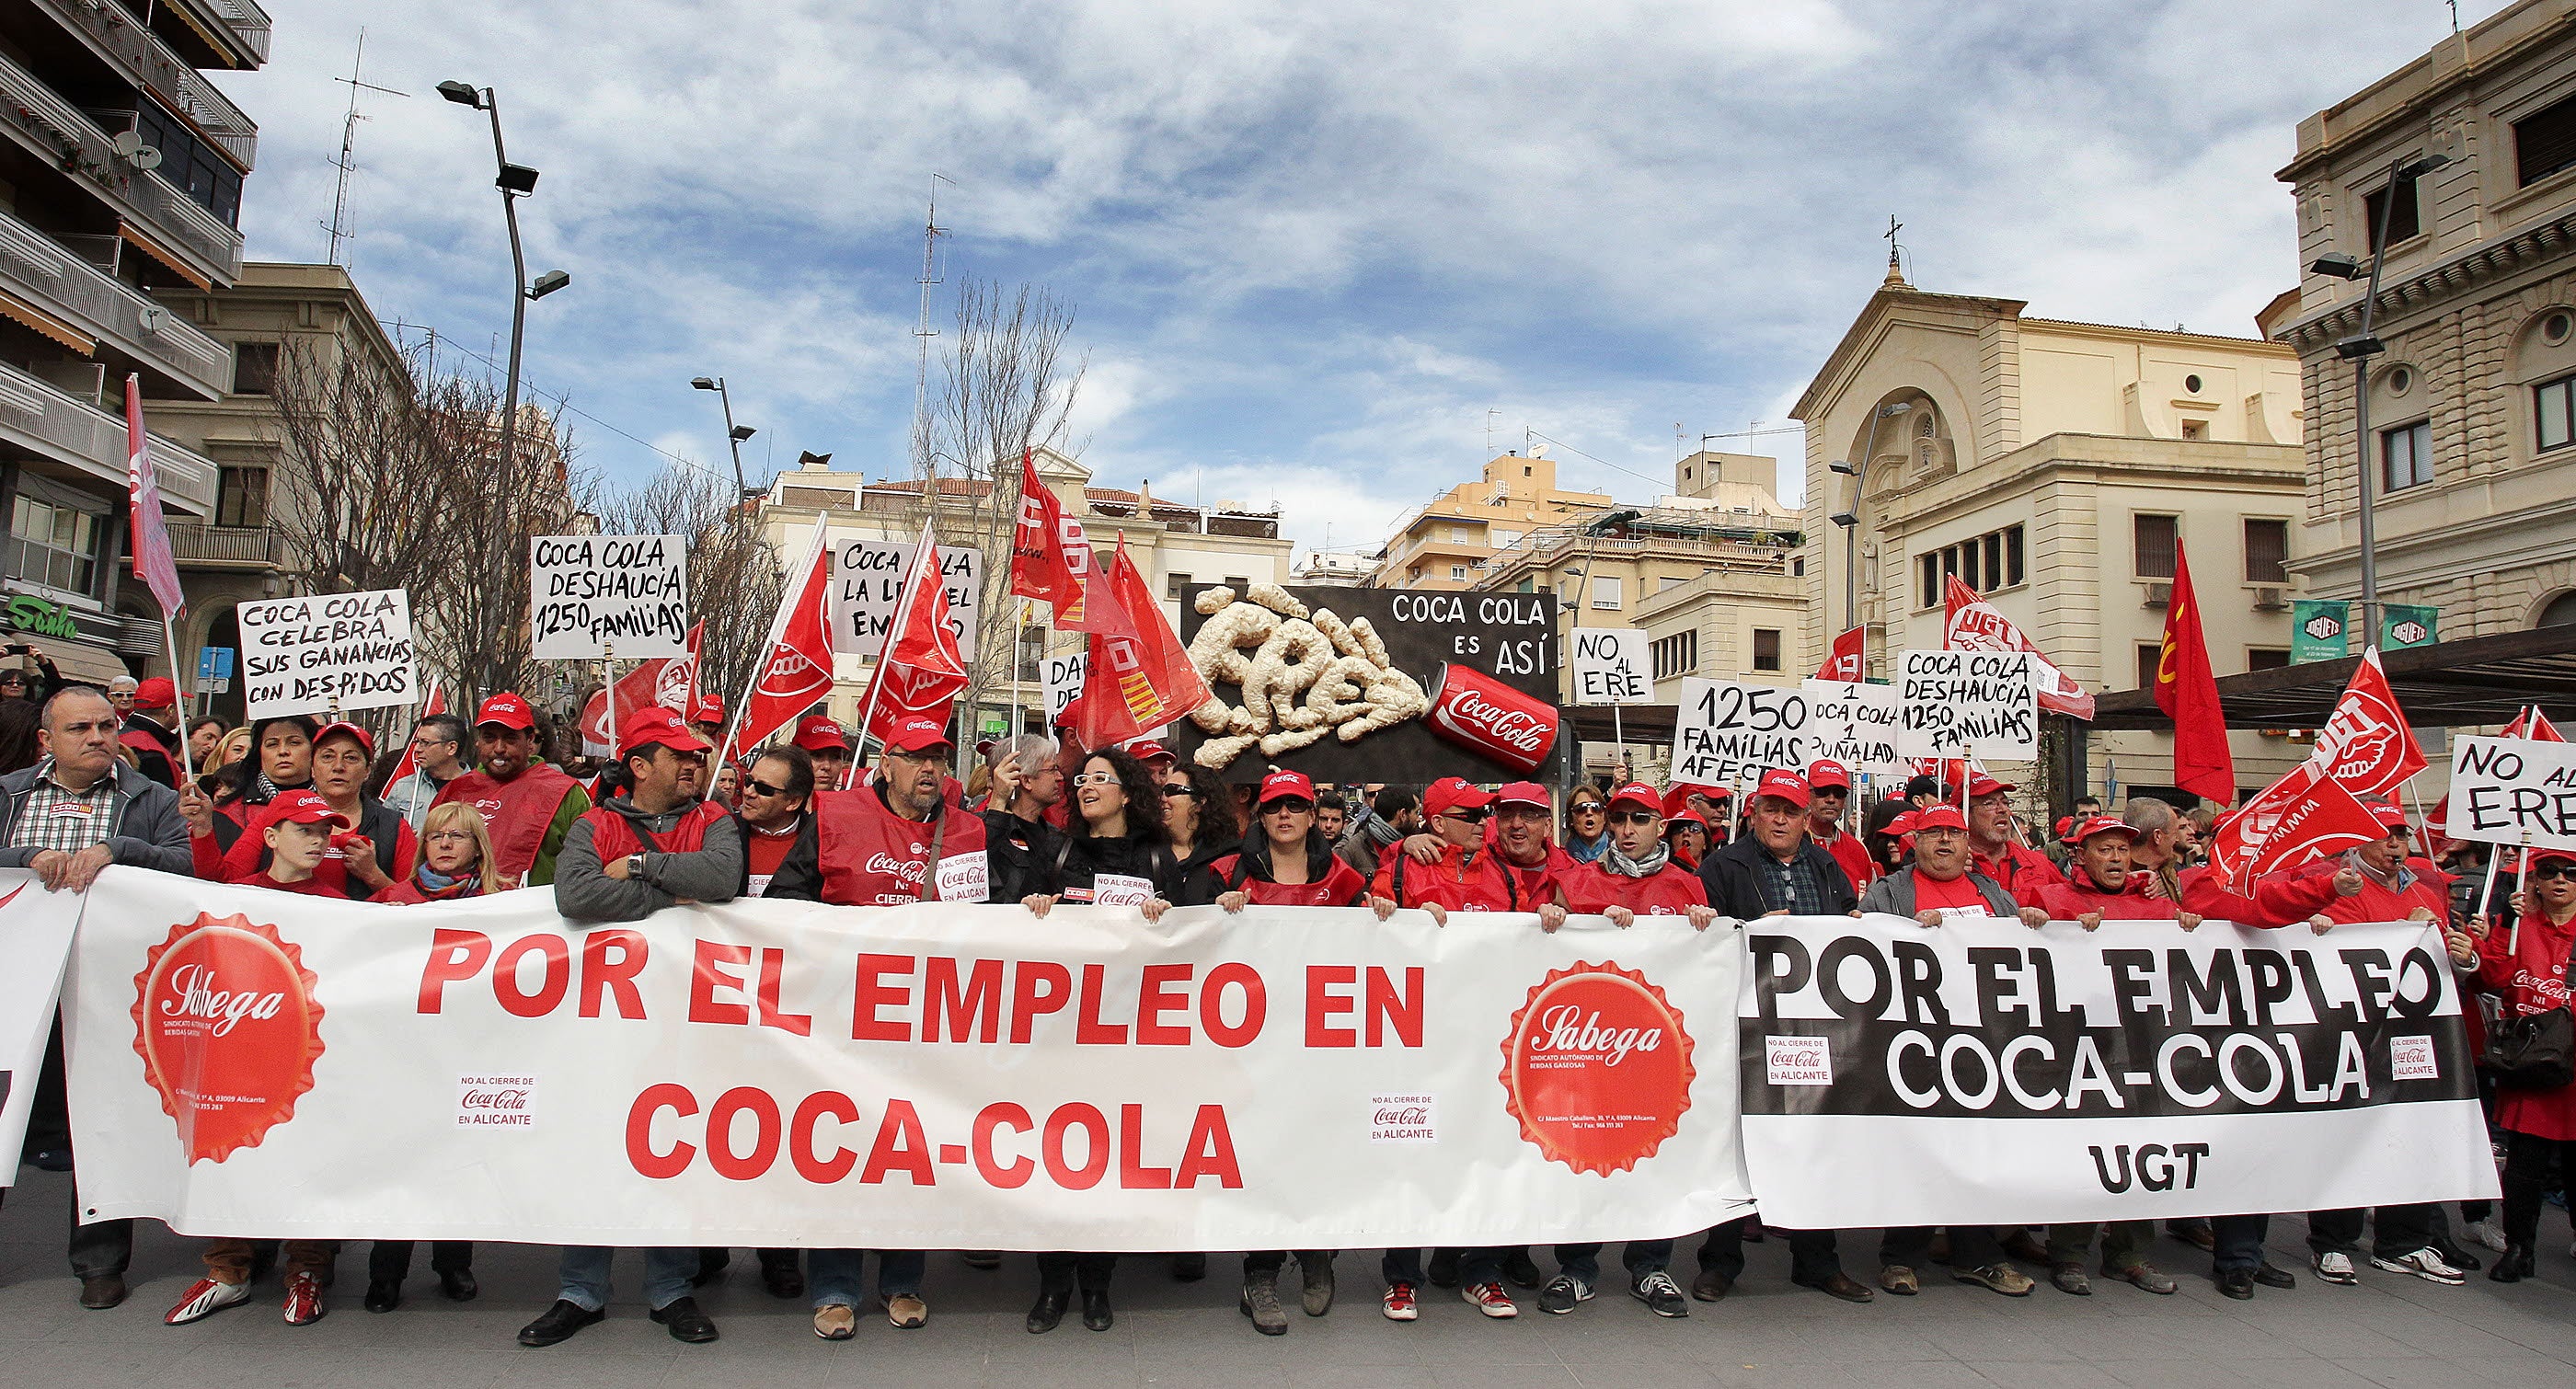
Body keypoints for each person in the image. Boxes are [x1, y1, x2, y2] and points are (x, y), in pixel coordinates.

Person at [521, 706, 741, 1349]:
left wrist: (642, 870)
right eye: (680, 756)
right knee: (593, 1145)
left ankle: (671, 1288)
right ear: (640, 766)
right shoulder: (595, 823)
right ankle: (579, 1290)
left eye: (696, 754)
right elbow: (578, 897)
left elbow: (721, 878)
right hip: (603, 1022)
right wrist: (674, 896)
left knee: (668, 1147)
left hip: (685, 1021)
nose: (695, 763)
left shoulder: (715, 821)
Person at [0, 687, 190, 1312]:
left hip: (108, 986)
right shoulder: (9, 794)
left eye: (106, 725)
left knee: (97, 1119)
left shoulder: (151, 801)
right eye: (78, 727)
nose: (97, 736)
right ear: (45, 741)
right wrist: (27, 859)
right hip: (15, 984)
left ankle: (100, 1264)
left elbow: (185, 868)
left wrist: (120, 852)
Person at [2264, 801, 2467, 1290]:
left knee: (2412, 1130)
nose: (2399, 846)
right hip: (2350, 1036)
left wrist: (2464, 954)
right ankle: (2333, 1241)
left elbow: (2444, 967)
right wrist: (2401, 931)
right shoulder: (2341, 889)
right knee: (2347, 1132)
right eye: (2388, 836)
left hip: (2414, 1036)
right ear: (2359, 842)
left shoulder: (2425, 893)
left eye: (2403, 837)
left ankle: (2406, 1241)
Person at [166, 788, 350, 1326]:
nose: (318, 840)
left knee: (311, 1153)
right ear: (270, 838)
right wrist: (201, 831)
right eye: (304, 830)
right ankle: (228, 1269)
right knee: (231, 1147)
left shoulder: (336, 905)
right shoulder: (241, 893)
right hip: (240, 1049)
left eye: (324, 831)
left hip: (306, 1058)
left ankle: (308, 1268)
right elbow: (205, 896)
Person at [1016, 745, 1180, 1335]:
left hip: (1127, 1037)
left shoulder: (1157, 857)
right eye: (1081, 779)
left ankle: (1097, 1285)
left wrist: (1172, 914)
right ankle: (1052, 1285)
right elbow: (1019, 920)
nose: (1085, 786)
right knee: (1056, 1162)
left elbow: (1194, 931)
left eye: (1101, 779)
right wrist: (1034, 905)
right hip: (1061, 1036)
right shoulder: (1056, 852)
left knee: (1107, 1164)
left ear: (1127, 793)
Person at [1203, 769, 1371, 1334]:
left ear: (1312, 816)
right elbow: (1189, 935)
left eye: (1297, 807)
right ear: (1262, 816)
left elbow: (1379, 940)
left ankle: (1318, 1257)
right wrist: (1212, 912)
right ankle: (1261, 1275)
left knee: (1321, 1151)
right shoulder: (1230, 872)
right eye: (1276, 807)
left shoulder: (1345, 877)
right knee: (1264, 1156)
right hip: (1255, 1047)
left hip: (1322, 1047)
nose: (1286, 817)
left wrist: (1392, 917)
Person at [1693, 770, 1869, 1303]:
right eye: (1771, 809)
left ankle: (1816, 1260)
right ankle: (1720, 1262)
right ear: (1754, 813)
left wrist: (1856, 922)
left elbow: (1846, 923)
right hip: (1745, 1026)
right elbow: (1704, 940)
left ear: (1805, 816)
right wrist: (1749, 928)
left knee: (1814, 1138)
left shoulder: (1825, 864)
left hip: (1813, 1026)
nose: (1780, 819)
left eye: (1791, 811)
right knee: (1737, 1141)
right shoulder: (1722, 866)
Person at [1853, 802, 2040, 1297]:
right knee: (1915, 1149)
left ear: (1967, 845)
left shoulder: (1993, 895)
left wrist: (2033, 923)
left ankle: (1977, 1256)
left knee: (1975, 1153)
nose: (1943, 843)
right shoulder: (1889, 894)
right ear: (1914, 844)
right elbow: (1864, 948)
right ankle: (1901, 1256)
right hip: (1913, 1043)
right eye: (1932, 833)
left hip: (1983, 1046)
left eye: (1952, 834)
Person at [1545, 781, 1714, 1320]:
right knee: (1583, 1151)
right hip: (1590, 1045)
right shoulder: (1581, 878)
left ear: (1661, 827)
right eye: (1619, 820)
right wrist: (1557, 920)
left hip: (1656, 1046)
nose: (1626, 830)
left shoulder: (1688, 885)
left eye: (1640, 820)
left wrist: (1704, 931)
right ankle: (1577, 1268)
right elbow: (1549, 945)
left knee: (1653, 1151)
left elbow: (1706, 963)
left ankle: (1651, 1265)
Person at [2012, 817, 2186, 1297]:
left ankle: (2129, 1253)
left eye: (2122, 850)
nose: (2115, 858)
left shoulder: (2154, 905)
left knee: (2146, 1152)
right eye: (2104, 849)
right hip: (2081, 1052)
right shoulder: (2055, 899)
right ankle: (2069, 1253)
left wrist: (2188, 926)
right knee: (2084, 1151)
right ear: (2080, 856)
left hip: (2145, 1049)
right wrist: (2040, 923)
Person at [351, 801, 498, 1311]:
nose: (445, 845)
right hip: (407, 1057)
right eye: (436, 837)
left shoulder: (501, 905)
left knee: (457, 1165)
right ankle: (386, 1273)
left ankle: (453, 1265)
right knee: (401, 1164)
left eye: (457, 836)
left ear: (477, 848)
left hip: (468, 1054)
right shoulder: (396, 898)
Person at [2476, 847, 2576, 1283]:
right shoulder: (2516, 926)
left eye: (2570, 872)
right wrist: (2498, 931)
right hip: (2530, 1065)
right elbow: (2491, 979)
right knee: (2523, 1170)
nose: (2559, 879)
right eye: (2548, 871)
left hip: (2574, 1071)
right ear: (2533, 880)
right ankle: (2520, 1249)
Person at [195, 722, 414, 900]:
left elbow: (416, 904)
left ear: (367, 770)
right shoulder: (282, 809)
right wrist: (203, 828)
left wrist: (373, 875)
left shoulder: (391, 826)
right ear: (312, 767)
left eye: (351, 758)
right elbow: (221, 883)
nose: (338, 766)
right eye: (327, 756)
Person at [431, 694, 591, 887]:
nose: (499, 748)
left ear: (529, 740)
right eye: (490, 738)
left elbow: (588, 867)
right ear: (478, 740)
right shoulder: (455, 791)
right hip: (461, 911)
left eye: (510, 738)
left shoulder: (567, 793)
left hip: (531, 913)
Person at [981, 734, 1069, 906]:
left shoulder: (1057, 838)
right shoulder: (980, 829)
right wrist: (998, 802)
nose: (1060, 777)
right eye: (1052, 770)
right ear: (1026, 780)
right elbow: (979, 877)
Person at [205, 714, 316, 850]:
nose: (283, 751)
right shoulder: (229, 813)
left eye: (294, 742)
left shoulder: (337, 803)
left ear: (313, 749)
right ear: (259, 752)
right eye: (272, 744)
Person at [1962, 772, 2064, 895]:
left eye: (2005, 803)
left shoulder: (2037, 863)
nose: (2003, 809)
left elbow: (2070, 905)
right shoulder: (1948, 868)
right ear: (1964, 814)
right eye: (1989, 803)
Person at [734, 745, 814, 900]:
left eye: (763, 788)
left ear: (793, 802)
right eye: (748, 781)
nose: (748, 792)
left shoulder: (818, 842)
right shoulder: (724, 830)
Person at [1161, 760, 1240, 914]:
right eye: (1162, 791)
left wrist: (1223, 904)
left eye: (1172, 790)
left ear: (1199, 803)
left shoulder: (1230, 856)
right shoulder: (1147, 851)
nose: (1163, 798)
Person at [385, 712, 470, 827]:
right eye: (417, 742)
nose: (417, 749)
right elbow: (384, 833)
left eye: (425, 743)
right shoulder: (403, 788)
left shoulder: (477, 790)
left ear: (451, 748)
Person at [1805, 761, 1874, 888]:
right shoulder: (1790, 844)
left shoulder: (1857, 850)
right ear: (1806, 794)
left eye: (1839, 793)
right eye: (1822, 791)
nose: (1831, 799)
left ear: (1845, 801)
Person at [1340, 784, 1419, 880]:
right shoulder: (1354, 849)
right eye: (1416, 812)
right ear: (1403, 815)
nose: (1418, 819)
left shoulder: (1417, 846)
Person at [118, 676, 182, 787]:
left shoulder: (119, 735)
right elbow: (159, 801)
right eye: (181, 707)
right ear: (170, 710)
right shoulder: (152, 753)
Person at [793, 714, 853, 791]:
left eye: (835, 757)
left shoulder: (850, 802)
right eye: (816, 755)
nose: (827, 766)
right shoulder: (778, 801)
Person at [1562, 782, 1610, 864]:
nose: (1589, 813)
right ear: (1571, 819)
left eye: (1596, 807)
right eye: (1581, 808)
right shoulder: (1560, 859)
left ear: (1604, 817)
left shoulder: (1620, 857)